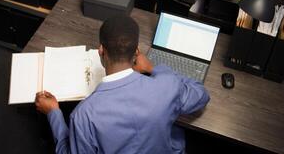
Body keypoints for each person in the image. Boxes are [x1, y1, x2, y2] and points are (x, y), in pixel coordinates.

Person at [35, 16, 210, 154]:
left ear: (101, 51)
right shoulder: (167, 85)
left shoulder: (83, 115)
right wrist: (153, 68)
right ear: (136, 52)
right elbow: (201, 95)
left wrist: (54, 113)